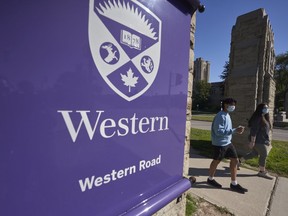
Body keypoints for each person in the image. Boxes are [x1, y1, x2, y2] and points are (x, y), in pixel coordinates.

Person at [207, 98, 248, 193]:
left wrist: (236, 130)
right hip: (220, 143)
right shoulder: (220, 116)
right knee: (216, 161)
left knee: (235, 160)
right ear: (225, 105)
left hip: (228, 142)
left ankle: (234, 184)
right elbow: (218, 132)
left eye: (234, 104)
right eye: (231, 104)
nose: (233, 106)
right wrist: (234, 130)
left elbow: (227, 130)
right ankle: (210, 179)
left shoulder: (227, 115)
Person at [238, 103, 273, 179]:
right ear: (260, 109)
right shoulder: (258, 118)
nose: (266, 109)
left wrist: (268, 140)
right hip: (258, 141)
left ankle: (239, 161)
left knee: (254, 154)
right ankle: (262, 172)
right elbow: (254, 131)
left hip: (263, 140)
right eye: (264, 108)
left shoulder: (265, 117)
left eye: (267, 107)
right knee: (263, 154)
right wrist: (252, 142)